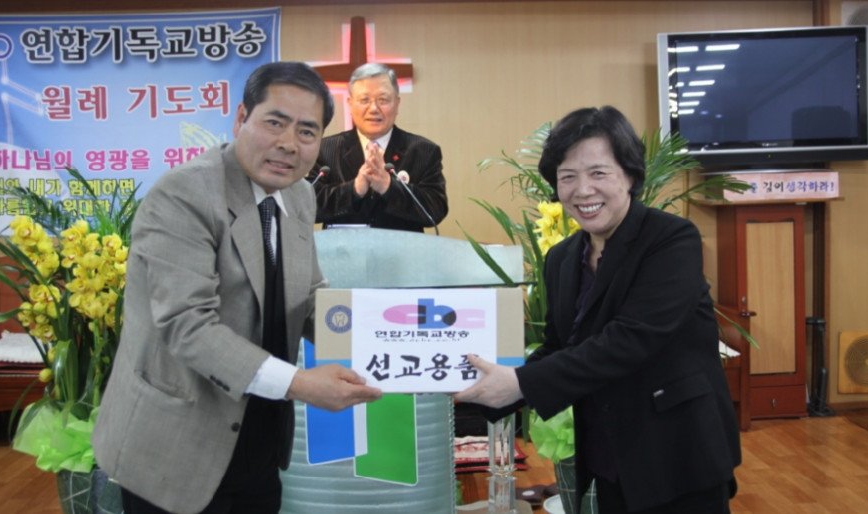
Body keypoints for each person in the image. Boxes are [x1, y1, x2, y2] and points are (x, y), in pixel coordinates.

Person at [92, 62, 383, 514]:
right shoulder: (183, 195)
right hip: (176, 446)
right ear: (241, 117)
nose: (289, 143)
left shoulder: (300, 194)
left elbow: (309, 297)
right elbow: (188, 326)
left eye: (307, 131)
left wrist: (391, 336)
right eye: (275, 123)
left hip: (258, 435)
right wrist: (300, 384)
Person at [455, 106, 741, 513]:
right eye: (567, 177)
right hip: (609, 457)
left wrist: (520, 383)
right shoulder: (561, 258)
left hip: (679, 452)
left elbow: (631, 338)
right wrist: (472, 387)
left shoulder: (671, 239)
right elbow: (559, 345)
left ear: (630, 176)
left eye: (598, 173)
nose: (583, 190)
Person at [307, 62, 447, 232]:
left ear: (397, 104)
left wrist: (389, 187)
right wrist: (354, 189)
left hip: (402, 249)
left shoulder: (423, 151)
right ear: (350, 104)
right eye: (364, 100)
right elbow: (306, 206)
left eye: (383, 100)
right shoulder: (326, 149)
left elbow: (435, 210)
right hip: (343, 249)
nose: (373, 108)